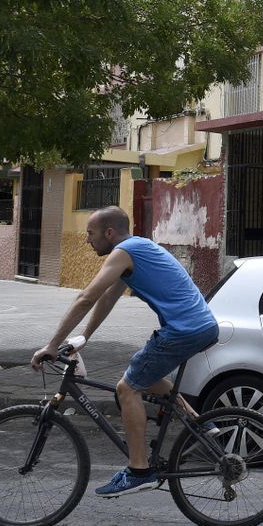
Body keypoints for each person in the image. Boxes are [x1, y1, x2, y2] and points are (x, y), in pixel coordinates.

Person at [31, 206, 217, 497]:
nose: (87, 240)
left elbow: (85, 298)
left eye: (90, 234)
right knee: (145, 376)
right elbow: (105, 299)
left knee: (126, 388)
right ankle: (200, 424)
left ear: (109, 232)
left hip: (184, 330)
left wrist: (52, 345)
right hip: (198, 326)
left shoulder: (124, 252)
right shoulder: (136, 250)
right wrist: (84, 337)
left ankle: (139, 469)